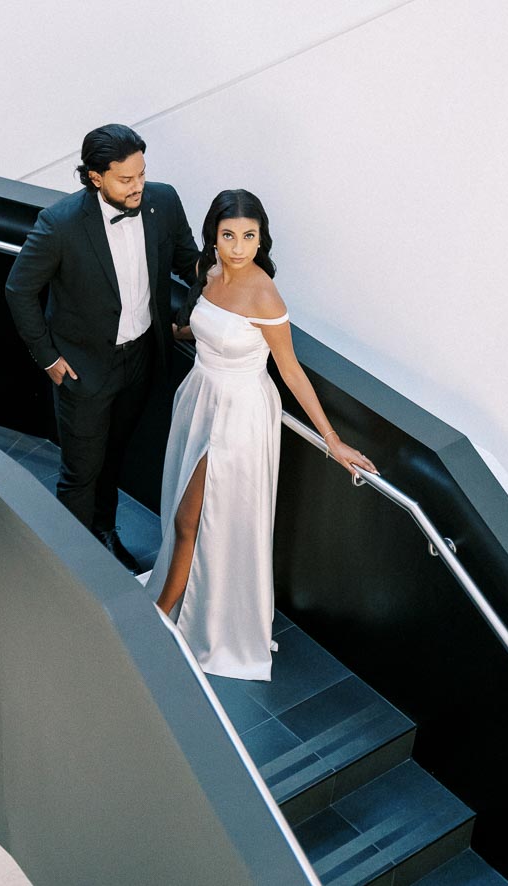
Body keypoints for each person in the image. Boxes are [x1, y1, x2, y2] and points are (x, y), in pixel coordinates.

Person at [144, 189, 378, 680]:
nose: (238, 247)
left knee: (200, 515)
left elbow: (290, 371)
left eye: (249, 237)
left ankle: (163, 617)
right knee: (188, 516)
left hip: (239, 413)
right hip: (199, 399)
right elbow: (203, 325)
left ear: (260, 239)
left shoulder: (264, 292)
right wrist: (179, 331)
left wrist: (333, 441)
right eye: (229, 236)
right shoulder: (208, 274)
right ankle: (177, 604)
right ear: (214, 236)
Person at [5, 124, 198, 570]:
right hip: (83, 368)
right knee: (80, 474)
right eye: (126, 179)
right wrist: (48, 358)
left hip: (142, 359)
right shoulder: (60, 224)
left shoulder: (163, 201)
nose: (138, 187)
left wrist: (189, 320)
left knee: (113, 456)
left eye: (141, 175)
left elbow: (192, 264)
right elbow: (18, 289)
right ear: (95, 177)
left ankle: (104, 534)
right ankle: (71, 573)